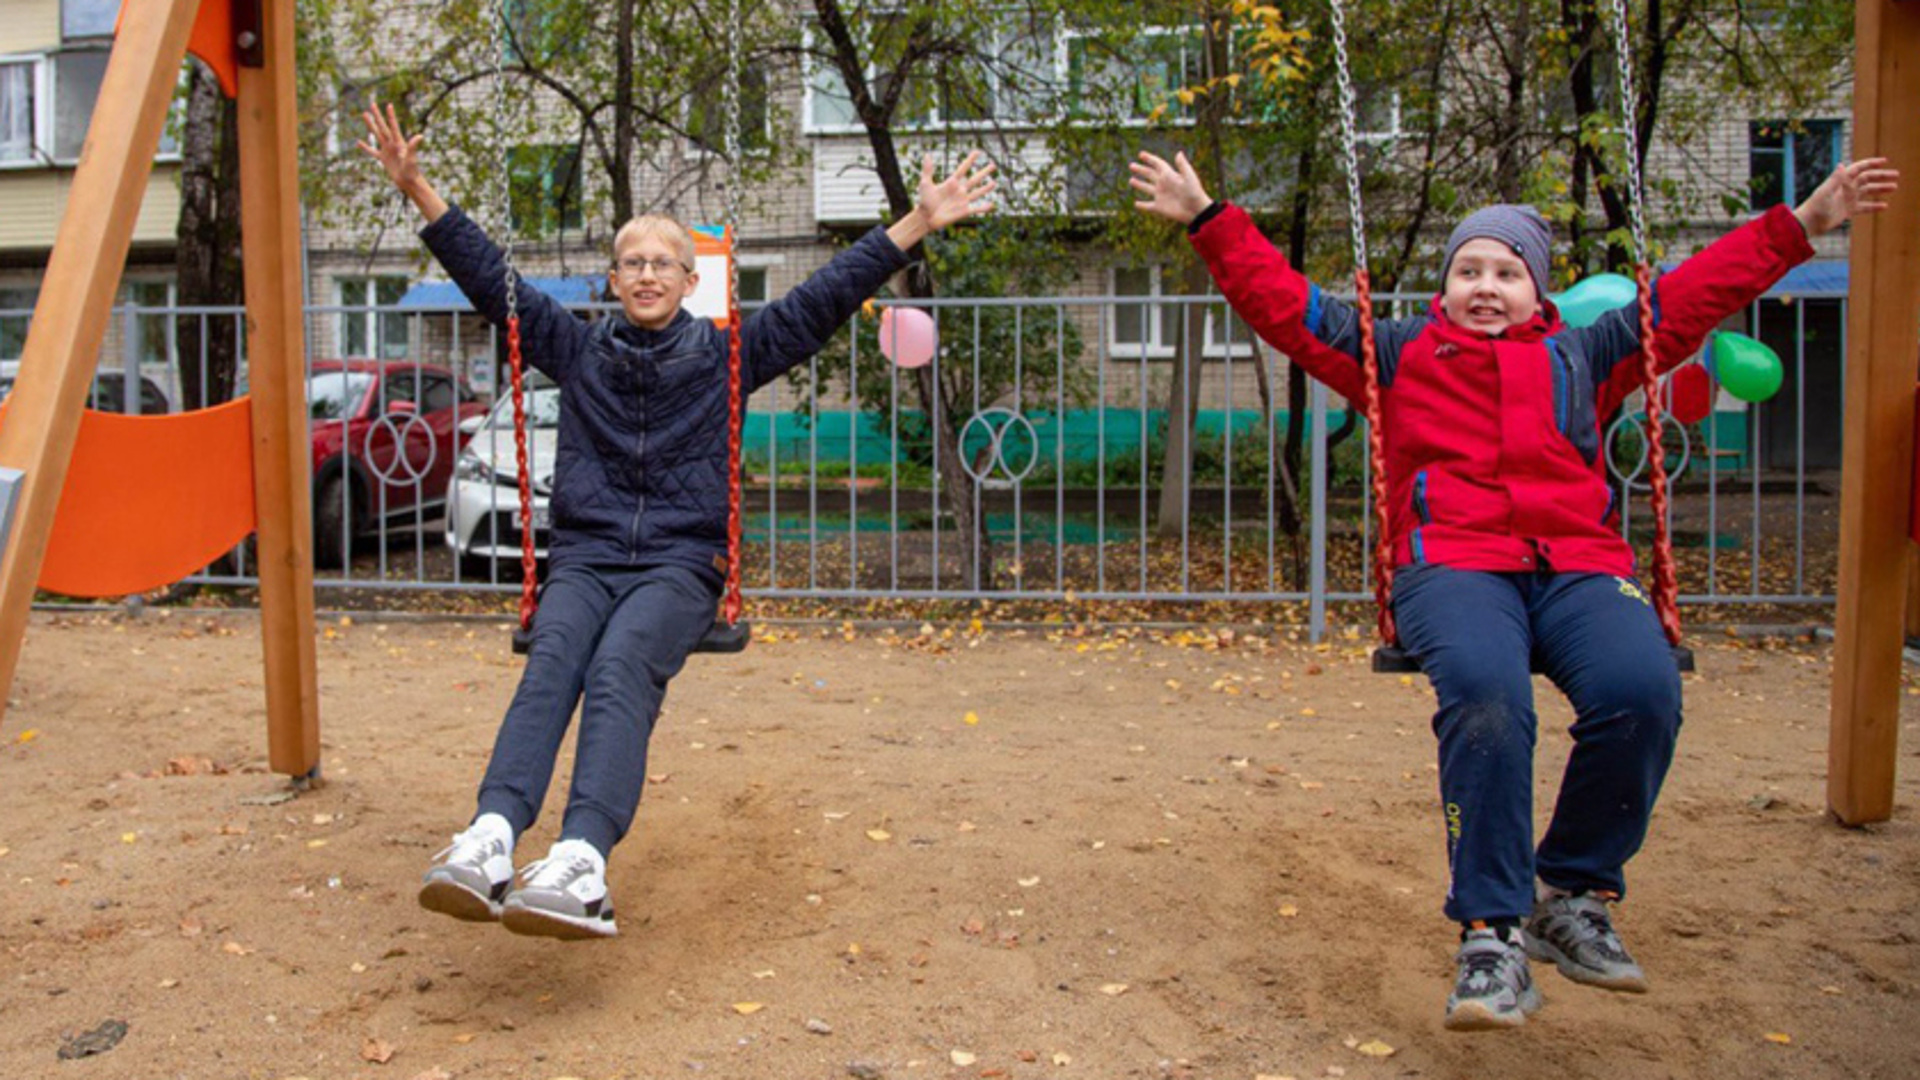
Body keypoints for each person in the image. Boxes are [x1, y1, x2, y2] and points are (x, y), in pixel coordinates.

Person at [1130, 149, 1898, 1029]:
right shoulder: (1396, 351)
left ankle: (1569, 894)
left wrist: (1801, 224)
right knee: (1490, 697)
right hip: (1452, 565)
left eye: (1506, 271)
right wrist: (1208, 221)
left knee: (1642, 689)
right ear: (1445, 287)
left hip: (1576, 563)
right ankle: (1490, 934)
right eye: (1467, 270)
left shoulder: (1589, 353)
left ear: (1540, 292)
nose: (1485, 286)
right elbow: (1286, 306)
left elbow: (1694, 295)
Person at [360, 102, 995, 940]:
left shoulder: (731, 356)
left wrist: (914, 221)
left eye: (664, 262)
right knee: (554, 660)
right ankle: (490, 837)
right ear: (613, 281)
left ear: (691, 281)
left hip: (681, 568)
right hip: (585, 557)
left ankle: (582, 860)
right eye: (633, 263)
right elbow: (492, 278)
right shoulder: (578, 350)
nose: (649, 274)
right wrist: (417, 189)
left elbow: (821, 299)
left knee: (619, 665)